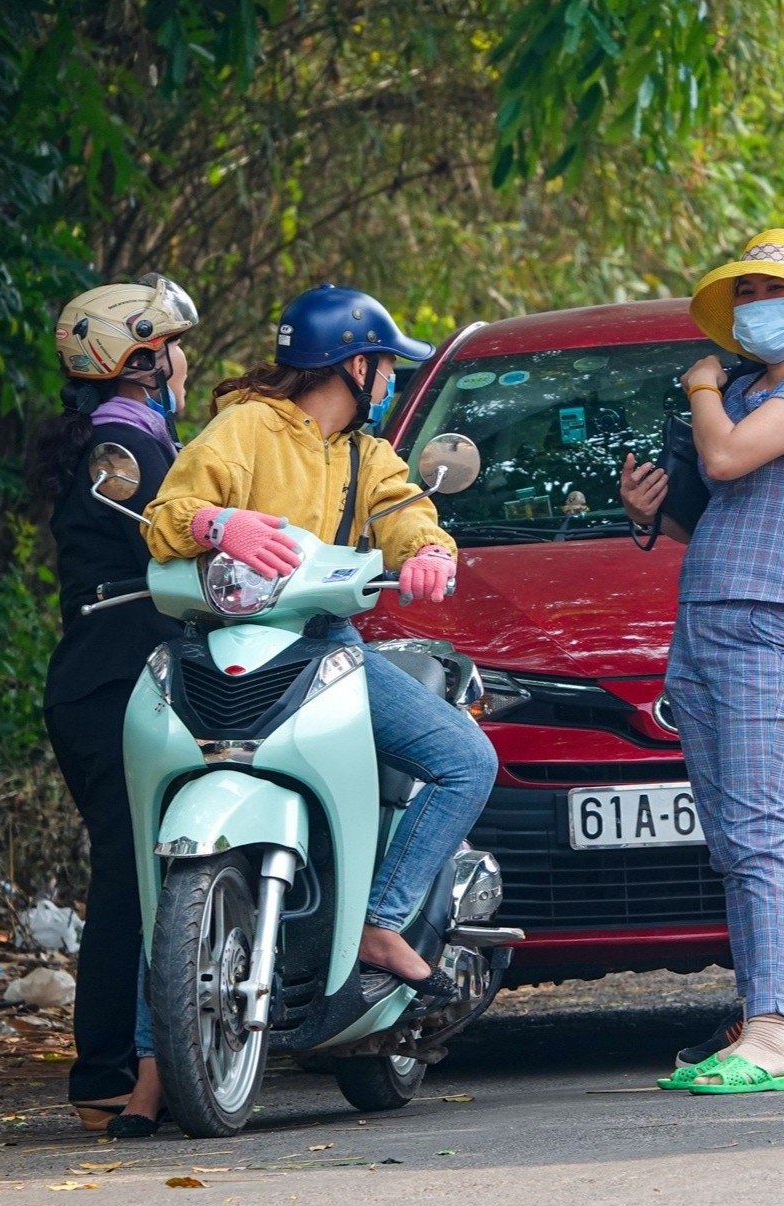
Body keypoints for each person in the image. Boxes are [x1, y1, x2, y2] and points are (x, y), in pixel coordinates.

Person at [141, 284, 498, 996]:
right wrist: (215, 524)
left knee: (465, 757)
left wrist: (430, 551)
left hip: (323, 646)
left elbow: (406, 513)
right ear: (354, 367)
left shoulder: (368, 455)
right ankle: (158, 1040)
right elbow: (166, 514)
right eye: (387, 367)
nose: (390, 382)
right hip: (224, 643)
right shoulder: (245, 427)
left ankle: (380, 919)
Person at [621, 229, 784, 1093]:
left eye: (772, 291)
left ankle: (770, 1030)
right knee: (733, 841)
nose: (754, 305)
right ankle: (761, 1017)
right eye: (745, 291)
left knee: (764, 833)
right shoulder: (742, 392)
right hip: (705, 619)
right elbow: (721, 507)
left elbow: (726, 456)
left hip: (774, 624)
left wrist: (698, 386)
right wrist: (649, 509)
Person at [35, 273, 198, 1137]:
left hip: (111, 679)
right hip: (111, 683)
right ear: (140, 362)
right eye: (172, 349)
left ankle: (140, 1061)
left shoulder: (128, 437)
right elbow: (179, 540)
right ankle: (104, 1073)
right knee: (131, 876)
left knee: (140, 870)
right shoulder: (122, 450)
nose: (183, 365)